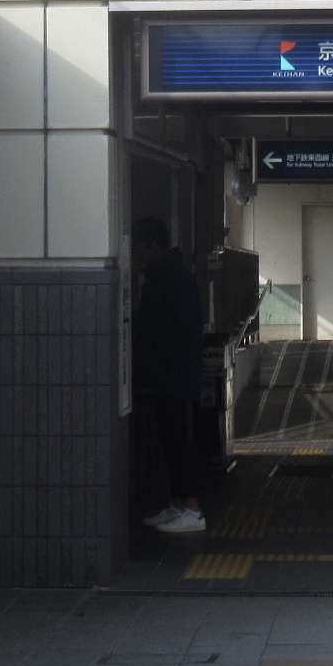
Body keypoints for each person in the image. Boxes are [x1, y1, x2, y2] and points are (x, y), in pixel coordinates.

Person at [131, 216, 206, 534]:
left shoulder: (170, 279)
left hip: (175, 375)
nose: (137, 256)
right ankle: (177, 504)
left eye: (140, 249)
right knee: (169, 438)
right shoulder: (166, 277)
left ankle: (191, 508)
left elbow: (175, 328)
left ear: (153, 246)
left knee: (178, 439)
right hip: (169, 375)